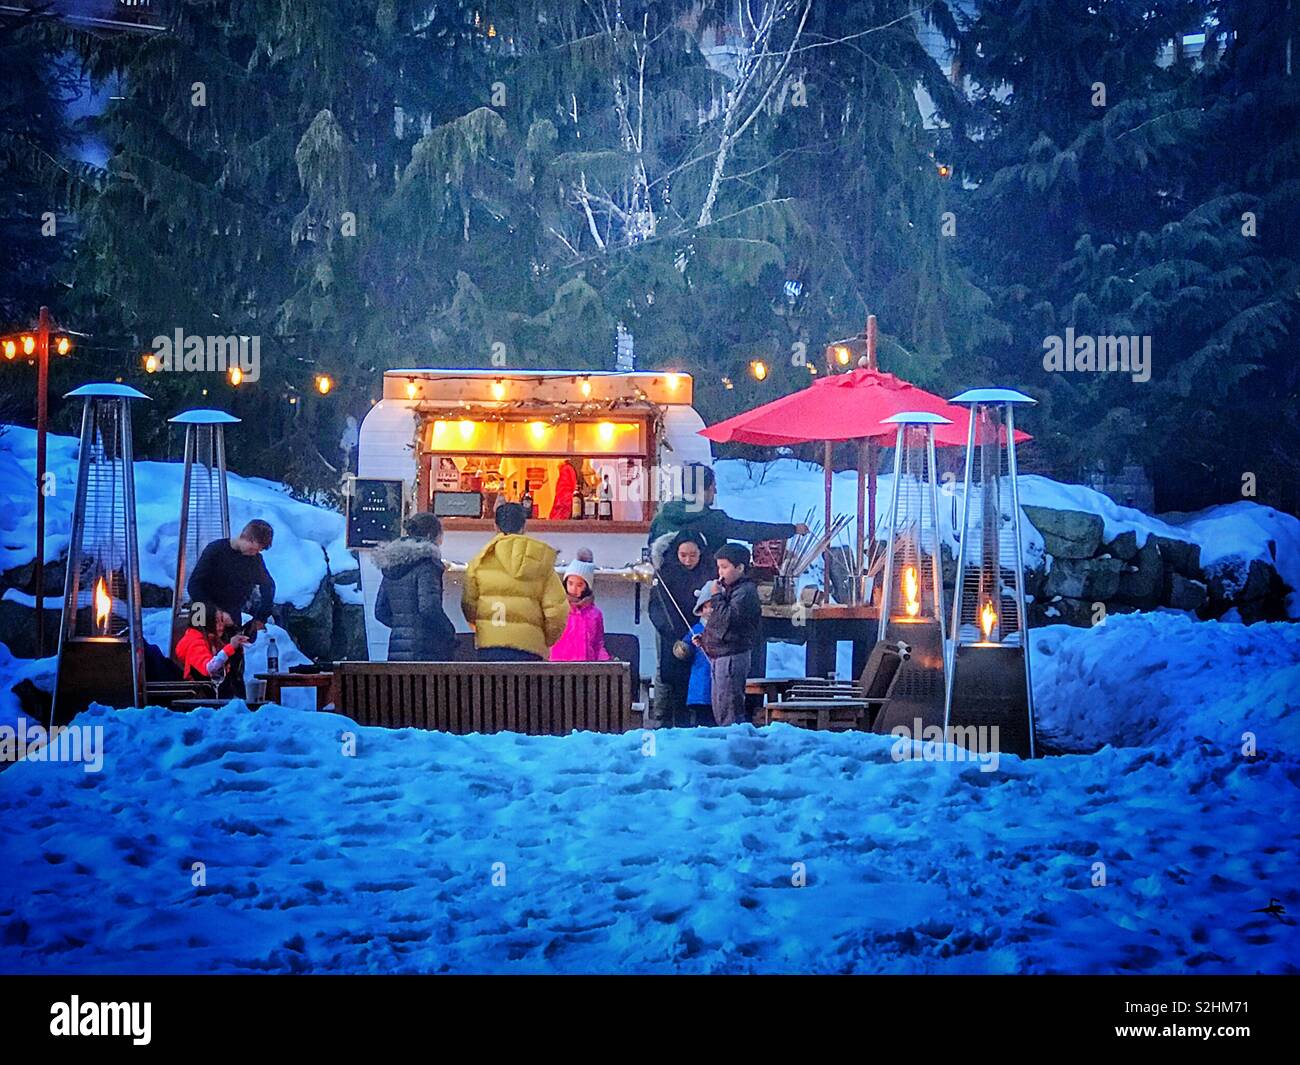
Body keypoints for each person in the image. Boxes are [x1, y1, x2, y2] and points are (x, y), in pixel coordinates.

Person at [462, 502, 569, 661]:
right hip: (530, 650)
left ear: (495, 527)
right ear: (524, 526)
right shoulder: (540, 562)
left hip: (490, 649)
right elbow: (557, 612)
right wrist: (543, 639)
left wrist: (485, 629)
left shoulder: (479, 562)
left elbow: (469, 606)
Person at [187, 519, 276, 695]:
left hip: (232, 614)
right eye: (254, 548)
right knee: (204, 663)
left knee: (233, 666)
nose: (254, 553)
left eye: (258, 551)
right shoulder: (216, 550)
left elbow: (269, 586)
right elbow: (194, 586)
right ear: (247, 538)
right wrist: (216, 611)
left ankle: (235, 703)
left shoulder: (255, 560)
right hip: (202, 611)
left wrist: (260, 617)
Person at [648, 463, 808, 558]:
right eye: (713, 487)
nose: (715, 492)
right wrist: (792, 529)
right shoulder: (712, 520)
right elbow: (750, 530)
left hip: (666, 596)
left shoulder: (661, 517)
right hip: (703, 597)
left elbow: (651, 551)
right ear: (704, 490)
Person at [648, 530, 712, 727]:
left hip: (701, 636)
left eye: (693, 555)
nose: (688, 560)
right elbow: (656, 608)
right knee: (675, 683)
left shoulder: (708, 572)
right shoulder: (665, 574)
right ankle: (671, 722)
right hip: (674, 638)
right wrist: (672, 633)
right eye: (683, 555)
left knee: (701, 683)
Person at [374, 512, 456, 662]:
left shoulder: (393, 564)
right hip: (425, 651)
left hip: (396, 653)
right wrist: (449, 630)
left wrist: (403, 628)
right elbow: (429, 608)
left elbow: (380, 612)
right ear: (432, 535)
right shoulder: (427, 565)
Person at [699, 542, 762, 727]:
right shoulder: (731, 589)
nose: (720, 572)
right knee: (720, 705)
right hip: (720, 654)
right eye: (719, 567)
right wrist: (704, 639)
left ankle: (735, 744)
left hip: (732, 655)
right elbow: (715, 622)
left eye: (725, 567)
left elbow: (727, 621)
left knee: (729, 708)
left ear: (740, 567)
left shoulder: (745, 592)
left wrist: (717, 597)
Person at [174, 604, 250, 698]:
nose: (221, 626)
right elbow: (209, 668)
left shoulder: (211, 638)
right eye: (216, 622)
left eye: (221, 621)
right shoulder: (195, 641)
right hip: (199, 699)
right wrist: (230, 647)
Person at [549, 549, 611, 662]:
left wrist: (606, 662)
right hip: (558, 666)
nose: (573, 588)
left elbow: (598, 644)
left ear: (587, 586)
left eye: (579, 585)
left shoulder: (595, 614)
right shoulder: (558, 608)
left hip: (585, 668)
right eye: (570, 583)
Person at [684, 586, 714, 725]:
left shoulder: (721, 629)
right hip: (700, 677)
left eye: (712, 607)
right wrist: (683, 649)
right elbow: (685, 647)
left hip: (716, 677)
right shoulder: (696, 629)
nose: (709, 611)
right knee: (700, 716)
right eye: (705, 607)